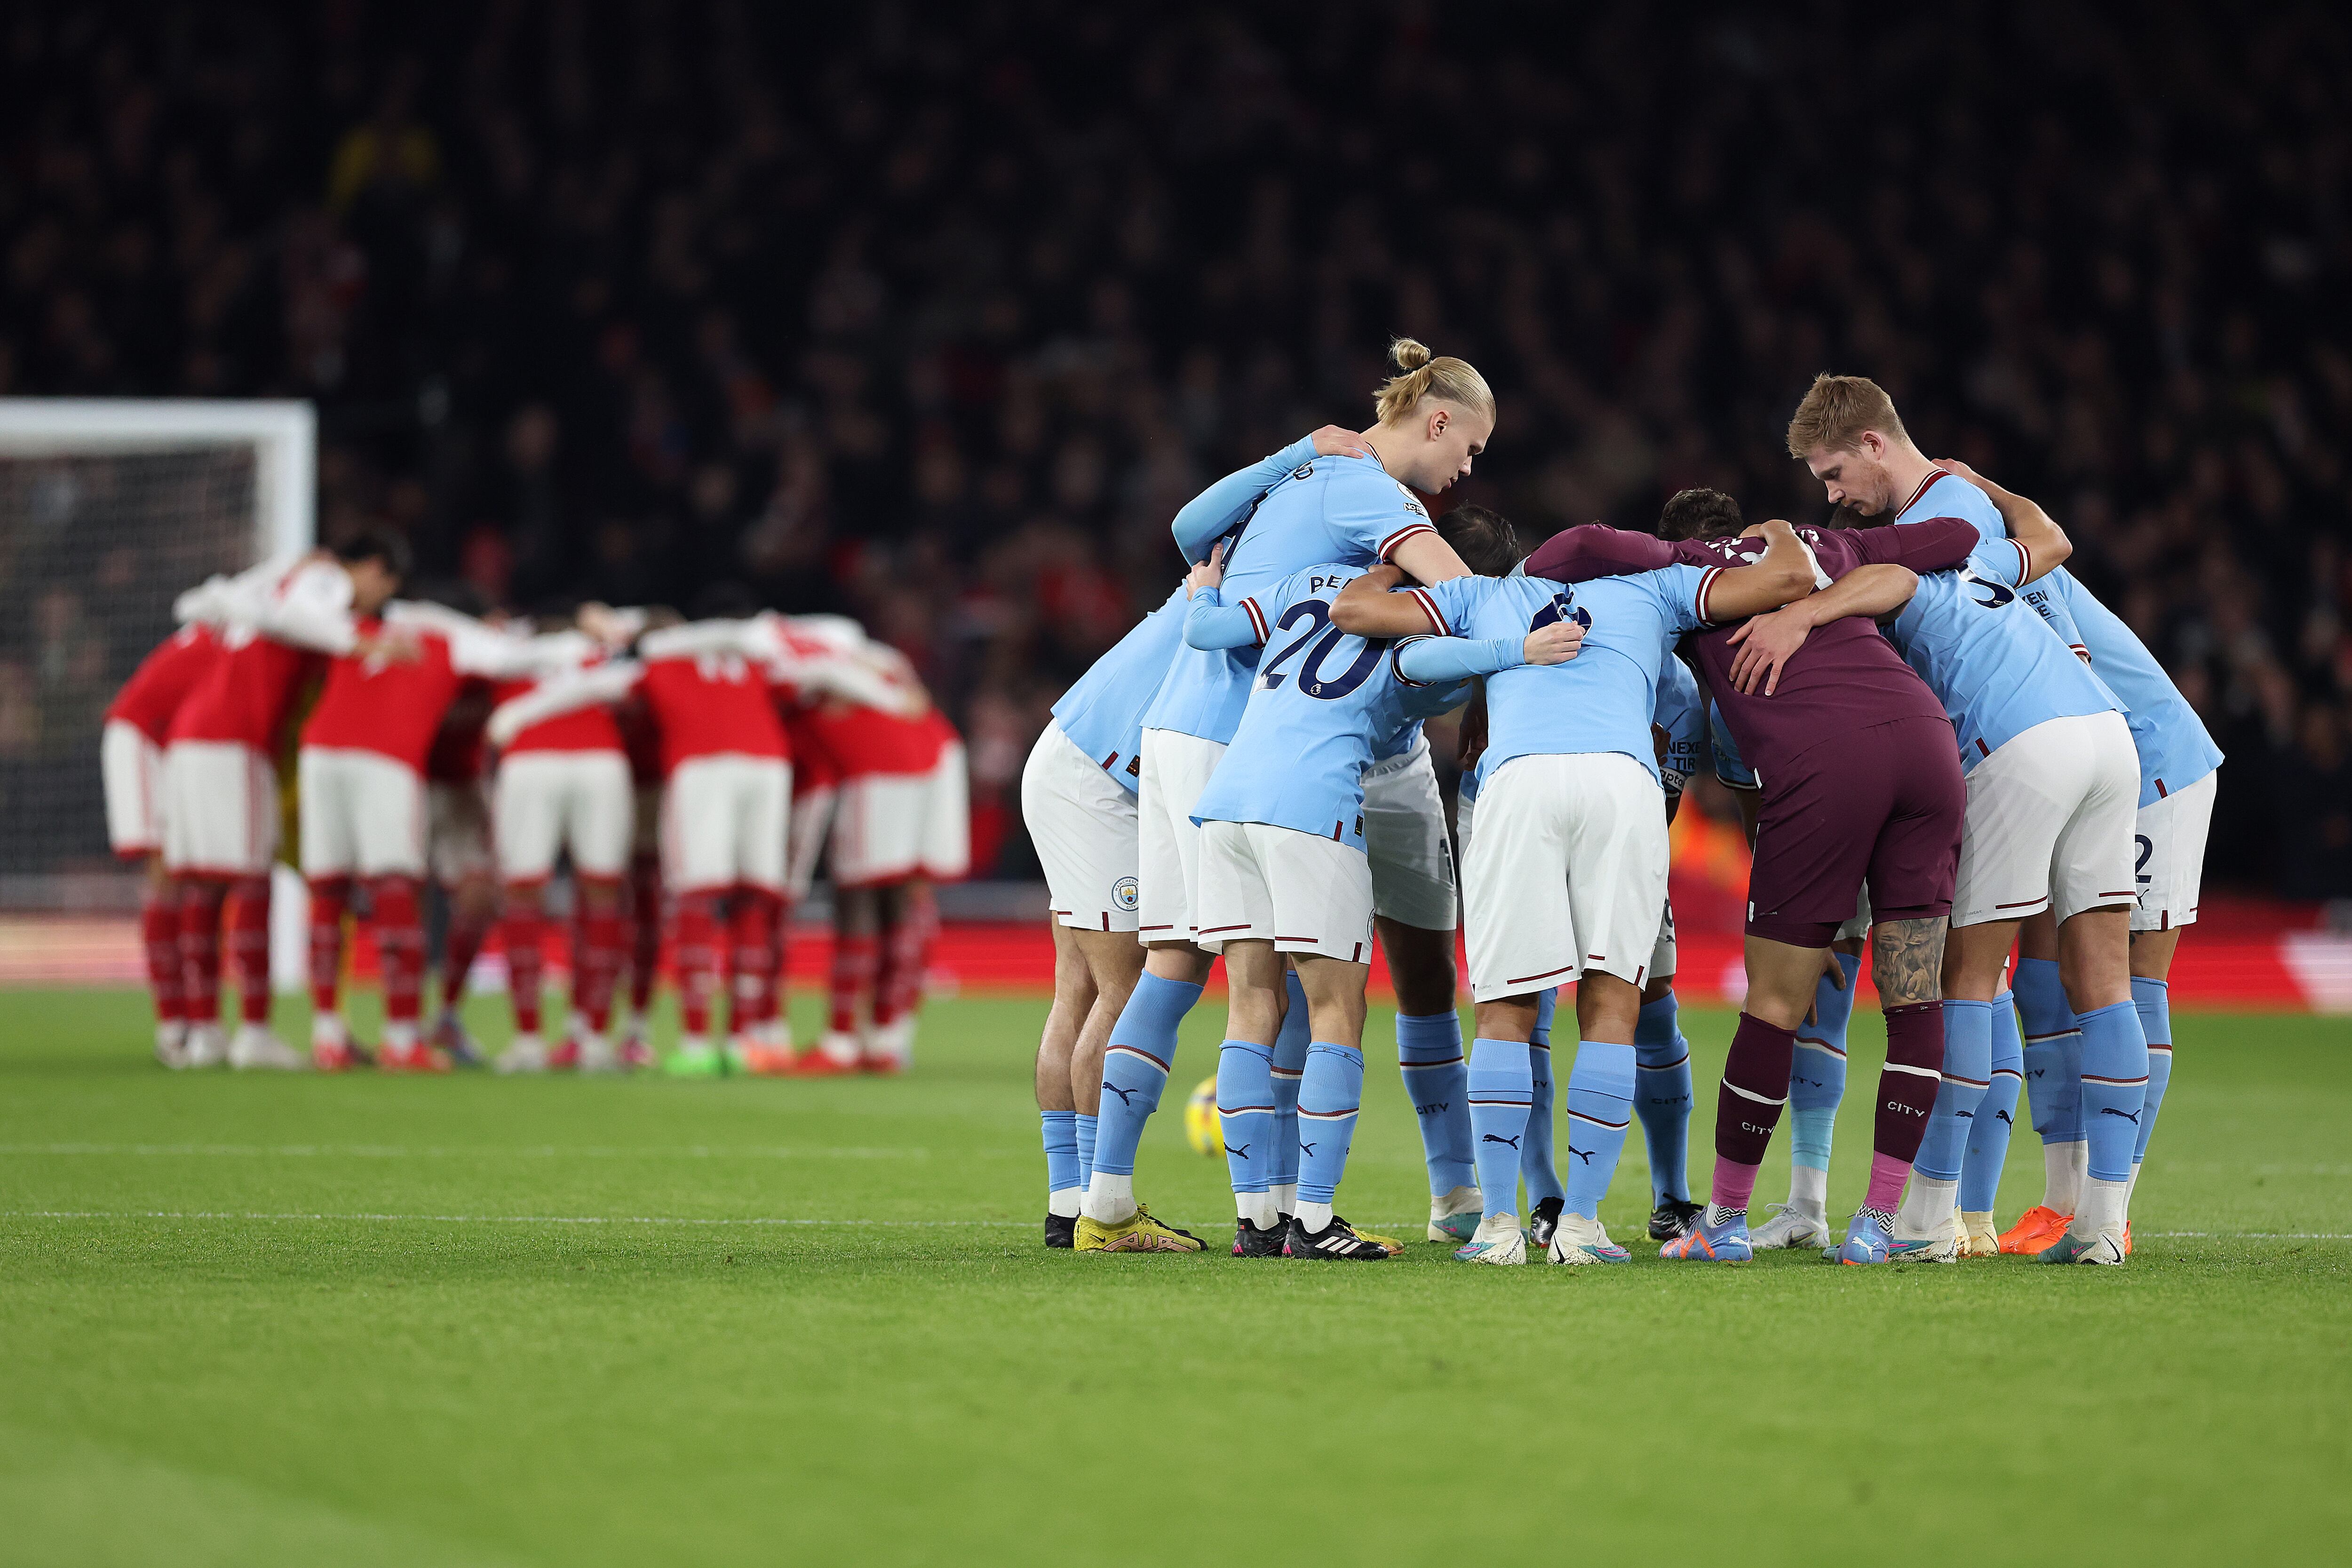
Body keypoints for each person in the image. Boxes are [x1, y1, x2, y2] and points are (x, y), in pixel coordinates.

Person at [1078, 339, 1493, 1251]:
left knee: (1190, 968)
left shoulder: (1298, 481)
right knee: (1291, 981)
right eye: (1467, 448)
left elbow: (1189, 530)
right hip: (1254, 735)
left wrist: (1291, 452)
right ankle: (1291, 1212)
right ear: (1436, 420)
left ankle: (1124, 1199)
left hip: (1183, 725)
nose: (1464, 471)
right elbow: (1460, 593)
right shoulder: (1373, 494)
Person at [1332, 513, 1818, 1264]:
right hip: (1620, 783)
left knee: (1504, 1009)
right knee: (1614, 1004)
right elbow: (1789, 577)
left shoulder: (1484, 593)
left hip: (1518, 780)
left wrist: (1397, 559)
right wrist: (1781, 531)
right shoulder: (1655, 588)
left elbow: (1355, 611)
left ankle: (1498, 1228)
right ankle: (1584, 1230)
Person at [1781, 375, 2143, 1265]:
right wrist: (1990, 485)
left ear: (1873, 444)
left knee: (1964, 979)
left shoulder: (1922, 531)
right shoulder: (1974, 539)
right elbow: (2049, 542)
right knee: (2104, 976)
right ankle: (2102, 1225)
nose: (1829, 496)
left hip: (2020, 744)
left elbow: (1887, 574)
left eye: (1832, 475)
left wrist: (1804, 609)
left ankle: (1929, 1220)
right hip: (2103, 730)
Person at [1179, 510, 1578, 1259]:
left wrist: (1203, 592)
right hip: (1313, 804)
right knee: (1338, 1007)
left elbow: (1210, 631)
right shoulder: (1416, 641)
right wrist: (1518, 648)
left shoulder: (1306, 585)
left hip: (1228, 800)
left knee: (1250, 1001)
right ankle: (1319, 1222)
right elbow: (1429, 668)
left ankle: (1257, 1219)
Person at [1943, 465, 2225, 1256]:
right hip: (2085, 763)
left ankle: (2110, 1207)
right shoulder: (1983, 552)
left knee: (2128, 979)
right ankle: (2064, 1200)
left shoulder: (2004, 563)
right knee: (2046, 974)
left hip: (2153, 764)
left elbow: (2071, 669)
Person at [161, 535, 409, 1069]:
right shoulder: (325, 584)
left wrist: (270, 574)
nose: (377, 601)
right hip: (236, 738)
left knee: (203, 884)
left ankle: (203, 1032)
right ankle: (253, 1032)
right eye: (385, 585)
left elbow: (194, 604)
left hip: (194, 737)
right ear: (371, 569)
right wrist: (353, 640)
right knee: (251, 878)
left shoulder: (274, 588)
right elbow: (296, 615)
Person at [300, 597, 577, 1072]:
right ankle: (355, 1028)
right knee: (391, 893)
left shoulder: (492, 664)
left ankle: (443, 1013)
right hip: (401, 775)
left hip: (456, 786)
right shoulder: (429, 646)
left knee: (476, 897)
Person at [487, 612, 636, 1074]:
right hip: (600, 761)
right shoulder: (602, 653)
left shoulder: (508, 652)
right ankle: (592, 1038)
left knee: (523, 895)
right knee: (602, 896)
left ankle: (528, 1040)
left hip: (529, 761)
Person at [99, 621, 223, 1066]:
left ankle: (195, 1023)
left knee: (188, 877)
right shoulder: (241, 635)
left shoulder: (229, 628)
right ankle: (174, 1026)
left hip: (172, 744)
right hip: (145, 739)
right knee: (166, 874)